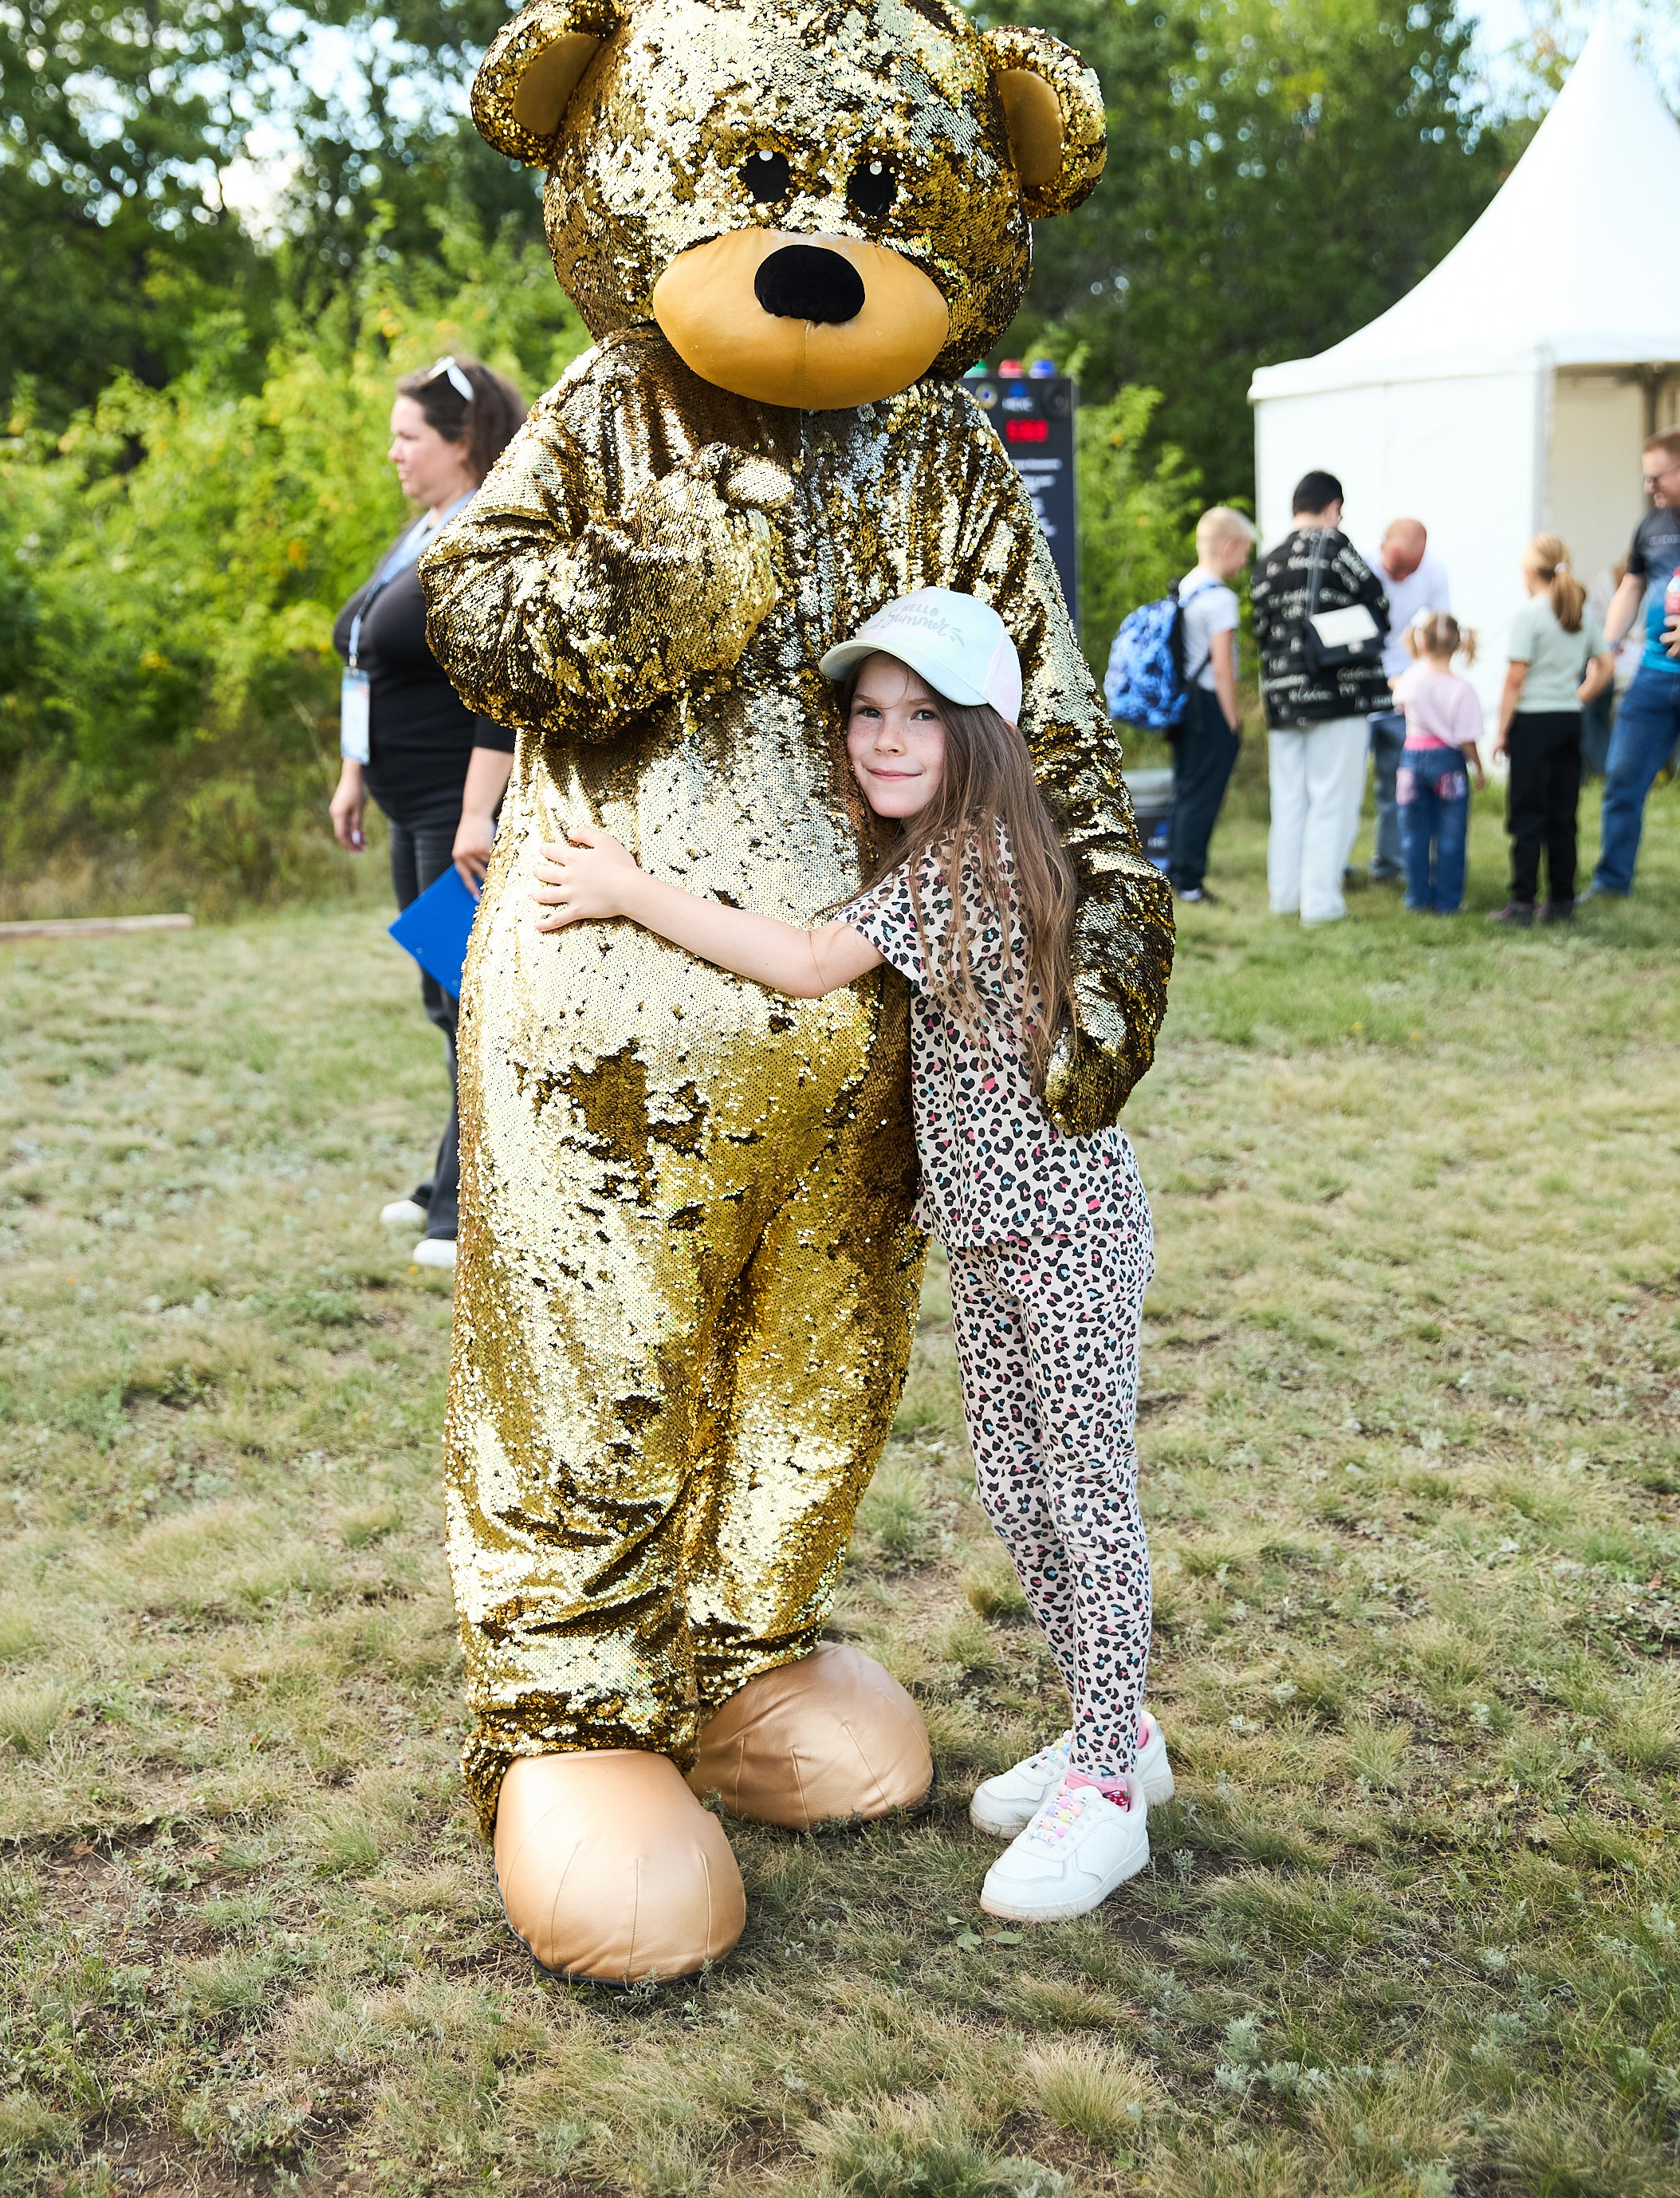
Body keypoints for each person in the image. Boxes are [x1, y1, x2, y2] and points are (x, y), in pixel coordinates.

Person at [529, 589, 1173, 1924]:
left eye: (920, 716)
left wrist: (627, 888)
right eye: (867, 713)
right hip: (990, 1238)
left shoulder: (970, 862)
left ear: (979, 734)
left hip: (1064, 1235)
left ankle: (1111, 1786)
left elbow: (810, 962)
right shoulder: (942, 853)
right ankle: (1114, 1730)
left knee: (1085, 1501)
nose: (884, 739)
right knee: (1022, 1493)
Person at [329, 354, 525, 1265]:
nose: (395, 453)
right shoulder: (423, 530)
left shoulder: (485, 536)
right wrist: (353, 772)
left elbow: (502, 691)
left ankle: (465, 1207)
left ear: (463, 440)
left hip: (457, 804)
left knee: (467, 998)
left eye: (409, 437)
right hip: (407, 802)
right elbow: (363, 660)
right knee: (444, 999)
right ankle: (450, 1174)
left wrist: (477, 814)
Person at [1251, 471, 1391, 925]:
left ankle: (1285, 896)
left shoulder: (1268, 562)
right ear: (1333, 508)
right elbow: (1380, 606)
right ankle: (1321, 904)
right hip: (1337, 695)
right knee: (1332, 798)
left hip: (1282, 697)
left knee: (1289, 800)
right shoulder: (1337, 549)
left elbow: (1260, 629)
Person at [1489, 535, 1614, 926]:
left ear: (1529, 572)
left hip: (1533, 722)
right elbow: (1606, 666)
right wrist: (1579, 698)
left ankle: (1522, 903)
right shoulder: (1580, 611)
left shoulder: (1529, 615)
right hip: (1568, 721)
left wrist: (1501, 731)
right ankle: (1562, 901)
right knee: (1563, 814)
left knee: (1528, 814)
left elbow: (1515, 679)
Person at [1586, 427, 1680, 900]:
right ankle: (1611, 883)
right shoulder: (1650, 527)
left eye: (1657, 477)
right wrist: (1607, 645)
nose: (1649, 487)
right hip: (1653, 679)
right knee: (1622, 778)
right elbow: (1632, 587)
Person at [1167, 506, 1257, 904]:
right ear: (1230, 546)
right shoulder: (1220, 598)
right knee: (1204, 796)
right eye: (1245, 552)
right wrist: (1232, 719)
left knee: (1186, 790)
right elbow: (1223, 668)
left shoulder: (1187, 586)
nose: (1244, 562)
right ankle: (1190, 881)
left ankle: (1177, 873)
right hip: (1209, 707)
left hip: (1183, 705)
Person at [1362, 518, 1450, 884]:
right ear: (1382, 547)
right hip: (1360, 681)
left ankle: (1390, 863)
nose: (1400, 577)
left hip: (1401, 685)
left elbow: (1443, 629)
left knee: (1398, 783)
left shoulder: (1434, 572)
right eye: (1394, 568)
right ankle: (1333, 864)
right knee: (1346, 784)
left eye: (1408, 571)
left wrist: (1425, 680)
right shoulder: (1360, 565)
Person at [1392, 615, 1485, 915]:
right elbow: (1466, 738)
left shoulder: (1410, 679)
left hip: (1410, 762)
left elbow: (1398, 699)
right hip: (1448, 763)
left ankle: (1417, 898)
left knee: (1413, 834)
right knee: (1451, 835)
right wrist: (1478, 767)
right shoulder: (1462, 689)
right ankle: (1448, 901)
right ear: (1458, 645)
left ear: (1422, 642)